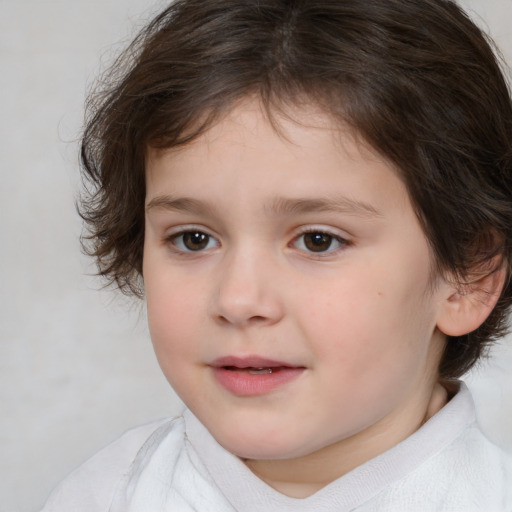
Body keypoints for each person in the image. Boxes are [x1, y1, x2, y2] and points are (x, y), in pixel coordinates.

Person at [42, 0, 512, 510]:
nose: (239, 300)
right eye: (193, 238)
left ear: (469, 274)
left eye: (318, 240)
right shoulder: (104, 495)